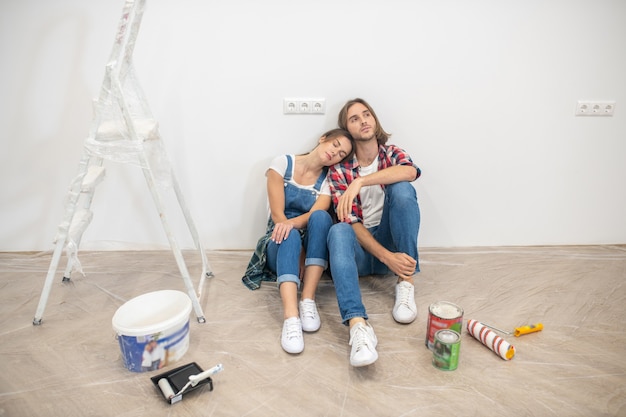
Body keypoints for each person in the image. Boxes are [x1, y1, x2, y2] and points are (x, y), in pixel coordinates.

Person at [327, 98, 421, 367]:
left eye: (366, 114)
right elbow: (353, 223)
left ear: (375, 120)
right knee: (339, 229)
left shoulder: (391, 154)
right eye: (354, 118)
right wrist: (386, 258)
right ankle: (358, 325)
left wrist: (362, 181)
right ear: (347, 129)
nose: (363, 120)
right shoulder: (339, 170)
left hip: (392, 246)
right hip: (361, 253)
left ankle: (406, 283)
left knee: (403, 189)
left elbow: (411, 171)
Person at [242, 129, 354, 354]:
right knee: (288, 233)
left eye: (341, 154)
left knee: (322, 217)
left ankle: (308, 300)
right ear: (323, 138)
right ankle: (291, 318)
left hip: (310, 242)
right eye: (335, 145)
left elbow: (315, 215)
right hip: (278, 239)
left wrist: (303, 248)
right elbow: (278, 215)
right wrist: (294, 242)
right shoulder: (282, 163)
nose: (336, 153)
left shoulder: (327, 182)